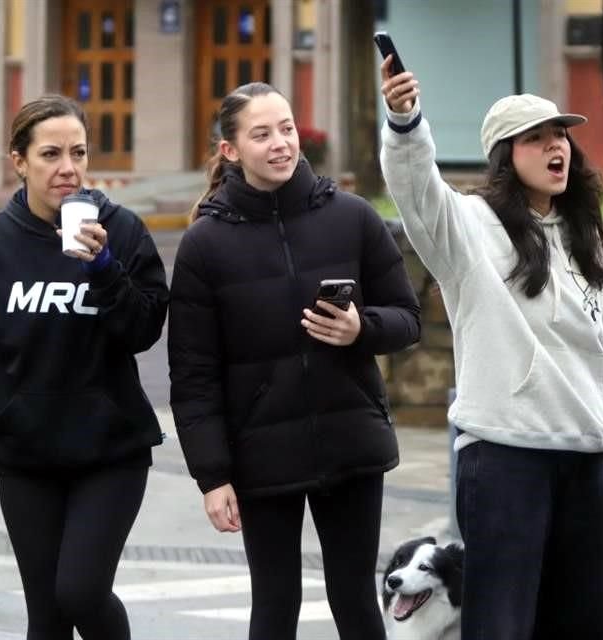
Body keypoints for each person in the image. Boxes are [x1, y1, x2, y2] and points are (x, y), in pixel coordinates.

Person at [167, 82, 420, 640]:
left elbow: (408, 318)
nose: (281, 144)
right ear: (231, 149)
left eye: (286, 128)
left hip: (350, 439)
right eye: (261, 134)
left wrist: (361, 328)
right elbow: (192, 374)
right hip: (261, 453)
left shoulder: (351, 217)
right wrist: (212, 475)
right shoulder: (205, 245)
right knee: (274, 602)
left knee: (355, 597)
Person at [379, 58, 603, 638]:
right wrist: (405, 122)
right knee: (502, 624)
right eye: (535, 138)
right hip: (506, 458)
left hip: (585, 457)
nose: (555, 146)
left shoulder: (589, 239)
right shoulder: (469, 226)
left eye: (560, 134)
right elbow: (417, 192)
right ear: (505, 155)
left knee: (583, 622)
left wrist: (601, 415)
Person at [0, 94, 169, 640]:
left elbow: (144, 330)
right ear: (18, 161)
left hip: (110, 451)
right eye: (50, 154)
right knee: (45, 616)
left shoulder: (122, 229)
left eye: (79, 152)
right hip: (27, 455)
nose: (68, 168)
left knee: (81, 592)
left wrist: (103, 266)